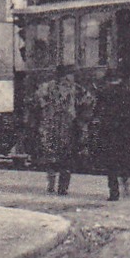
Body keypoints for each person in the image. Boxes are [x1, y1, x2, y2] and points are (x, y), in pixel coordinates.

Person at [34, 66, 92, 195]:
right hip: (56, 126)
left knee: (62, 157)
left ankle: (59, 186)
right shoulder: (54, 87)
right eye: (68, 75)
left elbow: (88, 100)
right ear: (63, 76)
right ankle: (56, 185)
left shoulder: (72, 88)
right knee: (56, 157)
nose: (70, 78)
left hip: (62, 125)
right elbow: (38, 99)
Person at [91, 69, 130, 201]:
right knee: (125, 159)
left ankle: (114, 192)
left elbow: (97, 110)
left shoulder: (104, 92)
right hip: (125, 130)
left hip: (109, 131)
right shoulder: (129, 91)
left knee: (111, 162)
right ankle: (126, 186)